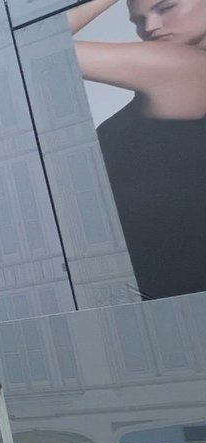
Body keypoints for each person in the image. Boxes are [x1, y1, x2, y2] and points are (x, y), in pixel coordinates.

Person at [68, 0, 206, 299]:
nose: (150, 26)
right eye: (137, 19)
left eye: (166, 7)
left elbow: (31, 49)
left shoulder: (184, 66)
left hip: (168, 301)